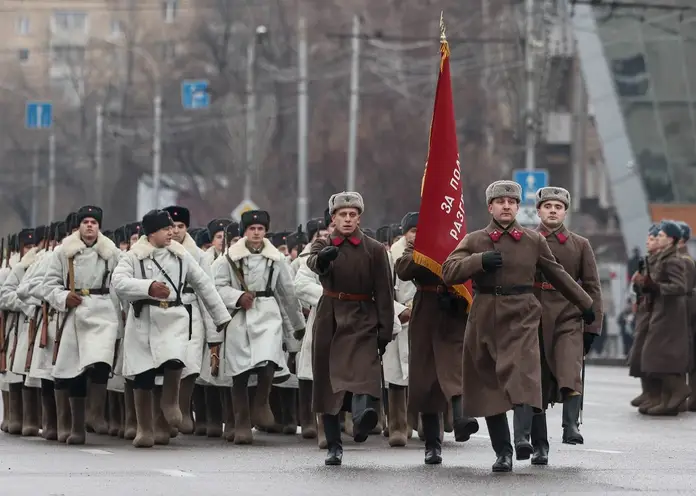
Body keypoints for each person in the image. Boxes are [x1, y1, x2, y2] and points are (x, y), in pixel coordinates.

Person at [441, 180, 595, 473]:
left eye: (512, 202)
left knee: (524, 373)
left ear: (518, 206)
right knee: (490, 387)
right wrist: (478, 261)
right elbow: (448, 271)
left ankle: (523, 438)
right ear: (490, 207)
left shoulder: (532, 241)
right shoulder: (475, 240)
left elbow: (557, 273)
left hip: (523, 312)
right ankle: (503, 453)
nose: (507, 206)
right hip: (485, 315)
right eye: (501, 202)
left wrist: (585, 303)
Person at [112, 209, 231, 448]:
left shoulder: (181, 255)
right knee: (143, 376)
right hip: (144, 319)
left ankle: (170, 403)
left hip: (174, 316)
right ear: (151, 232)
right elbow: (119, 282)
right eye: (166, 229)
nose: (171, 232)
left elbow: (203, 285)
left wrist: (221, 316)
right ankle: (145, 429)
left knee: (176, 359)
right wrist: (148, 287)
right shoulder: (133, 257)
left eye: (172, 228)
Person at [514, 187, 603, 466]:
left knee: (568, 369)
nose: (553, 210)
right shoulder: (526, 240)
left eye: (558, 207)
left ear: (566, 212)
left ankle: (570, 425)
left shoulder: (579, 244)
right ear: (538, 210)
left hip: (568, 314)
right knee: (536, 383)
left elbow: (592, 287)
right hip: (534, 316)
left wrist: (593, 327)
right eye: (547, 206)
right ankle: (540, 446)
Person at [307, 191, 395, 466]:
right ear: (333, 218)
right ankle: (334, 445)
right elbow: (313, 263)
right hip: (330, 317)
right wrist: (324, 259)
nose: (347, 219)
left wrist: (385, 328)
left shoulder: (375, 249)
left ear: (359, 218)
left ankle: (361, 419)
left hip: (362, 317)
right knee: (329, 384)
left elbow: (384, 290)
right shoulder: (322, 244)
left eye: (352, 215)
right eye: (342, 215)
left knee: (362, 373)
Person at [394, 211, 480, 464]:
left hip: (455, 309)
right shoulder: (416, 245)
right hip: (426, 311)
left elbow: (472, 270)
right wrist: (427, 253)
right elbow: (403, 268)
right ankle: (432, 444)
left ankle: (462, 418)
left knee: (456, 366)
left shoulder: (462, 240)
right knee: (427, 379)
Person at [41, 206, 123, 445]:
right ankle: (76, 426)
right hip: (74, 312)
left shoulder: (112, 253)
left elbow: (121, 283)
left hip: (103, 310)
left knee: (101, 362)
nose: (90, 226)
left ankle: (94, 413)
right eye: (86, 222)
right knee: (74, 371)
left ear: (99, 226)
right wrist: (63, 297)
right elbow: (48, 285)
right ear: (79, 226)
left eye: (94, 222)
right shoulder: (63, 252)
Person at [634, 220, 691, 415]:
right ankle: (664, 399)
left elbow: (680, 287)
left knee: (655, 356)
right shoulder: (663, 258)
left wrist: (656, 287)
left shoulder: (674, 260)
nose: (657, 239)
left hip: (670, 313)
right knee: (652, 356)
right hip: (660, 310)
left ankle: (678, 390)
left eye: (661, 236)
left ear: (672, 239)